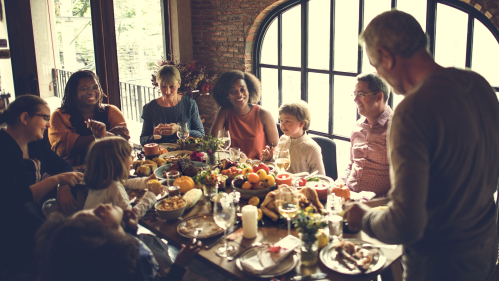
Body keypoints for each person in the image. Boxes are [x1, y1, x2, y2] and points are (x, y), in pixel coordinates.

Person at [345, 10, 499, 281]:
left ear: (387, 57)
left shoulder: (412, 111)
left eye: (376, 64)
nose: (380, 73)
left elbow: (407, 224)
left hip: (439, 264)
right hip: (484, 249)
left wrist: (364, 218)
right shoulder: (479, 85)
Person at [0, 95, 83, 276]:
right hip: (10, 232)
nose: (48, 124)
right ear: (24, 118)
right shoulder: (3, 148)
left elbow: (62, 166)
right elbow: (12, 200)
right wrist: (55, 180)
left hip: (31, 217)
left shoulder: (36, 143)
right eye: (45, 118)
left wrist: (63, 187)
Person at [35, 204, 202, 281]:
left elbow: (122, 242)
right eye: (99, 215)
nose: (100, 206)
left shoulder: (116, 251)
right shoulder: (137, 261)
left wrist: (130, 230)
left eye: (91, 210)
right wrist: (180, 263)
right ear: (107, 238)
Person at [49, 70, 129, 166]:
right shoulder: (59, 115)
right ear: (73, 92)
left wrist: (104, 135)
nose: (91, 92)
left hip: (111, 167)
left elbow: (123, 142)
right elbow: (64, 148)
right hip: (73, 172)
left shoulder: (111, 111)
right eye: (84, 88)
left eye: (95, 87)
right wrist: (107, 135)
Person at [335, 73, 392, 197]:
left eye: (361, 94)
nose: (355, 100)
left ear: (379, 96)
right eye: (355, 94)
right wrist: (339, 184)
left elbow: (403, 181)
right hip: (349, 197)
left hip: (376, 205)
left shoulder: (396, 129)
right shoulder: (358, 126)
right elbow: (352, 164)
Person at [83, 137, 162, 219]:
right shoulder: (114, 188)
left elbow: (125, 183)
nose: (132, 158)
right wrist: (151, 195)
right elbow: (131, 217)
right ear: (119, 162)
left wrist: (145, 181)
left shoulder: (100, 182)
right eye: (129, 155)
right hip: (106, 231)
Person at [211, 70, 279, 160]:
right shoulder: (224, 112)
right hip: (233, 168)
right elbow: (213, 142)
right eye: (232, 91)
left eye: (242, 89)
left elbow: (275, 146)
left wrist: (269, 155)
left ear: (249, 90)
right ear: (226, 94)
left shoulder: (264, 114)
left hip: (258, 168)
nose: (239, 94)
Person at [140, 65, 205, 145]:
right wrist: (154, 137)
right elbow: (142, 140)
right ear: (158, 85)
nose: (167, 91)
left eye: (172, 86)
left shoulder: (189, 104)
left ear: (179, 84)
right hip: (160, 155)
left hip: (185, 153)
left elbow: (201, 135)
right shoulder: (150, 107)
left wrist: (179, 129)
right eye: (163, 86)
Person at [261, 101, 325, 175]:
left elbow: (320, 176)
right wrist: (269, 158)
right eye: (281, 120)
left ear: (301, 123)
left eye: (287, 121)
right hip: (282, 184)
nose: (282, 125)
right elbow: (278, 167)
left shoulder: (311, 148)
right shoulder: (283, 139)